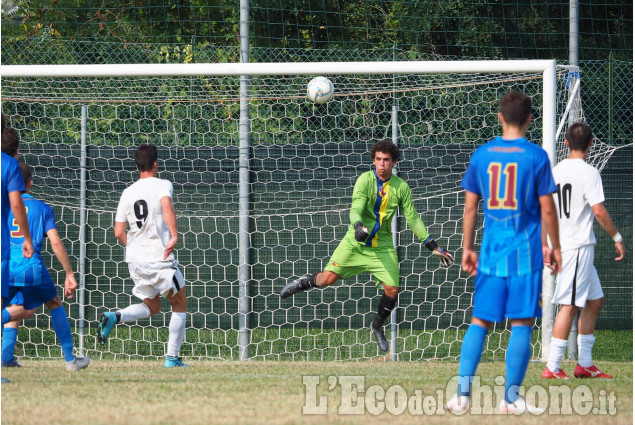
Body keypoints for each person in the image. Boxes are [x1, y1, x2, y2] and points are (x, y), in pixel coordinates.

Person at [279, 139, 455, 352]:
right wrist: (358, 225)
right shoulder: (364, 180)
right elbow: (356, 207)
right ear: (373, 160)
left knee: (392, 289)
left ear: (394, 162)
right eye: (378, 160)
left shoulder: (401, 187)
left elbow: (413, 218)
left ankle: (377, 325)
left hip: (382, 248)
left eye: (387, 160)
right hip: (355, 243)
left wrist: (432, 245)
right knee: (326, 279)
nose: (382, 164)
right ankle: (301, 283)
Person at [447, 92, 562, 414]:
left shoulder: (482, 155)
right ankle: (510, 400)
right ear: (529, 119)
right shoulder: (537, 156)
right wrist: (555, 247)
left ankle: (461, 396)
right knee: (522, 324)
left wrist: (467, 247)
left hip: (491, 254)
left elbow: (470, 207)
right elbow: (548, 210)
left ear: (500, 117)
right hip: (526, 256)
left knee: (479, 322)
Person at [542, 122, 625, 380]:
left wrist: (546, 243)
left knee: (595, 300)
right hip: (575, 247)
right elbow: (598, 210)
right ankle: (553, 367)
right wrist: (617, 236)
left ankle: (585, 364)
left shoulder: (554, 171)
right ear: (591, 144)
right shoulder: (590, 173)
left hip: (568, 246)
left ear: (565, 143)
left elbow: (545, 209)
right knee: (569, 306)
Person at [97, 144, 189, 368]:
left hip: (136, 262)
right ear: (155, 164)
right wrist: (174, 235)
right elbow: (166, 205)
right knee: (179, 304)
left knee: (153, 307)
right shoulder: (162, 185)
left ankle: (115, 316)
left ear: (137, 166)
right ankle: (171, 358)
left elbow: (118, 232)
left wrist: (135, 248)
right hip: (160, 259)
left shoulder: (127, 193)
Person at [2, 162, 90, 371]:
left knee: (18, 307)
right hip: (30, 266)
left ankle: (5, 357)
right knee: (54, 302)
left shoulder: (4, 207)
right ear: (30, 183)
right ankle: (70, 360)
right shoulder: (42, 209)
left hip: (5, 266)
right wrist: (69, 273)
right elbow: (56, 242)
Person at [1, 126, 34, 383]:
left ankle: (7, 356)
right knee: (22, 308)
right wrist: (26, 238)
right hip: (14, 259)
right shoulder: (10, 168)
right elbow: (16, 205)